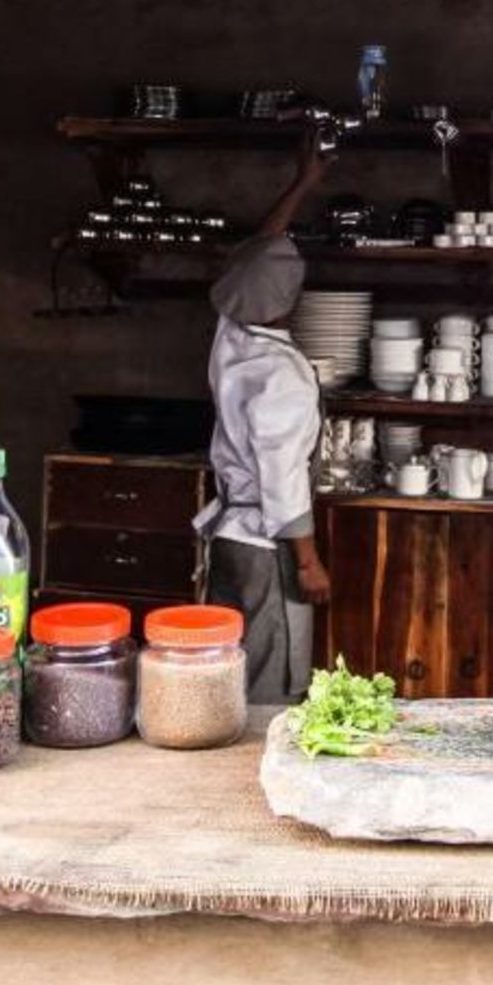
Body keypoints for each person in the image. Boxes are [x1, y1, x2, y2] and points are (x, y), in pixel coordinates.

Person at [193, 143, 334, 704]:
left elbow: (258, 253)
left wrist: (302, 183)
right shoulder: (283, 378)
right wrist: (309, 562)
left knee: (229, 666)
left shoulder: (231, 339)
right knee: (271, 681)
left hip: (228, 535)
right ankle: (252, 777)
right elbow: (282, 478)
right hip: (266, 543)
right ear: (291, 300)